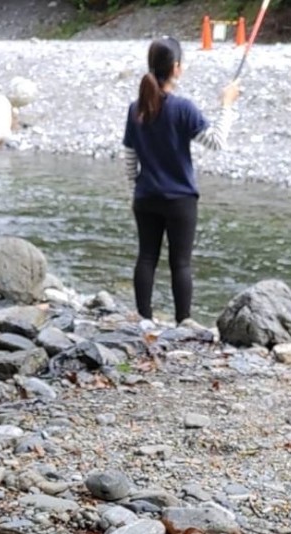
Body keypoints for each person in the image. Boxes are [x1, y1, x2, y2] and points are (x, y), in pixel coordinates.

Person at [122, 36, 239, 327]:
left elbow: (129, 156)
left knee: (146, 257)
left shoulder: (135, 108)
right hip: (180, 200)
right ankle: (183, 323)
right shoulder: (182, 108)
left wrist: (132, 192)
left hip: (146, 197)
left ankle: (144, 320)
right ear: (176, 68)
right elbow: (216, 142)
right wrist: (227, 105)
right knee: (181, 264)